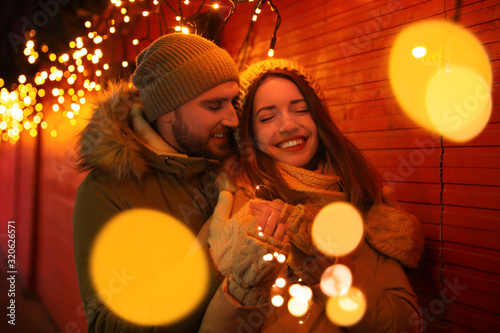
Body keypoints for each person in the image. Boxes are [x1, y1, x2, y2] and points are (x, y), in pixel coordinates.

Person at [200, 59, 425, 332]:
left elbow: (406, 324)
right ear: (250, 135)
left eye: (301, 110)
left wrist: (329, 269)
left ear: (318, 118)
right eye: (268, 117)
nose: (288, 125)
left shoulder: (358, 199)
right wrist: (245, 287)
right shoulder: (239, 211)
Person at [72, 33, 240, 332]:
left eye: (233, 102)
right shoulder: (105, 193)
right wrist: (214, 262)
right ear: (166, 112)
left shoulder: (229, 167)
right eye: (214, 106)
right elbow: (111, 326)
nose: (232, 119)